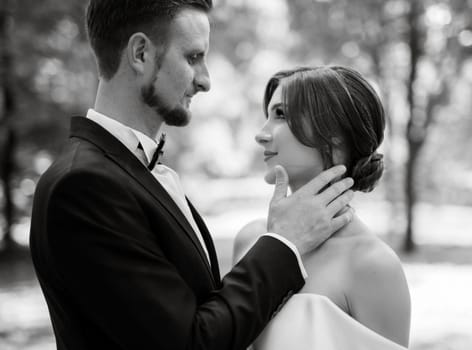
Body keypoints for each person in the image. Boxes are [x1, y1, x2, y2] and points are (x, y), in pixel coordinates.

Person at [29, 2, 357, 350]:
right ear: (140, 53)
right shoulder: (83, 186)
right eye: (192, 57)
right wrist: (284, 243)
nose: (205, 80)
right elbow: (191, 343)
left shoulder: (132, 171)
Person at [234, 66, 411, 349]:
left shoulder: (373, 265)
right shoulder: (250, 240)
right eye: (267, 116)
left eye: (280, 114)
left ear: (335, 133)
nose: (262, 134)